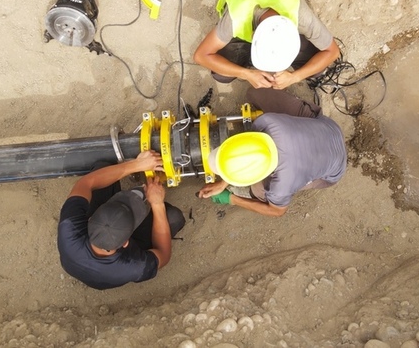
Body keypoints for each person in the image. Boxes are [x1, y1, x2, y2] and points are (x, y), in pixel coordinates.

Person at [197, 87, 347, 217]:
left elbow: (276, 211)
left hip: (334, 168)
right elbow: (247, 153)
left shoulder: (281, 184)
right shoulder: (268, 122)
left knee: (258, 191)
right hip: (328, 128)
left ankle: (250, 193)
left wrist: (231, 198)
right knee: (255, 93)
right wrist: (224, 183)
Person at [57, 151, 185, 290]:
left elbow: (86, 183)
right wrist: (157, 204)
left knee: (102, 167)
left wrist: (137, 165)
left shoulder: (69, 229)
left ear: (91, 219)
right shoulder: (133, 266)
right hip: (108, 272)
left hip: (79, 257)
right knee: (173, 218)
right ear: (126, 242)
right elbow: (164, 255)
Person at [192, 0, 341, 90]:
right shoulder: (236, 17)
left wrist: (295, 77)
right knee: (222, 75)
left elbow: (333, 51)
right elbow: (201, 55)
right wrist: (246, 74)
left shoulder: (302, 17)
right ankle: (247, 62)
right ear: (252, 35)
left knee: (317, 68)